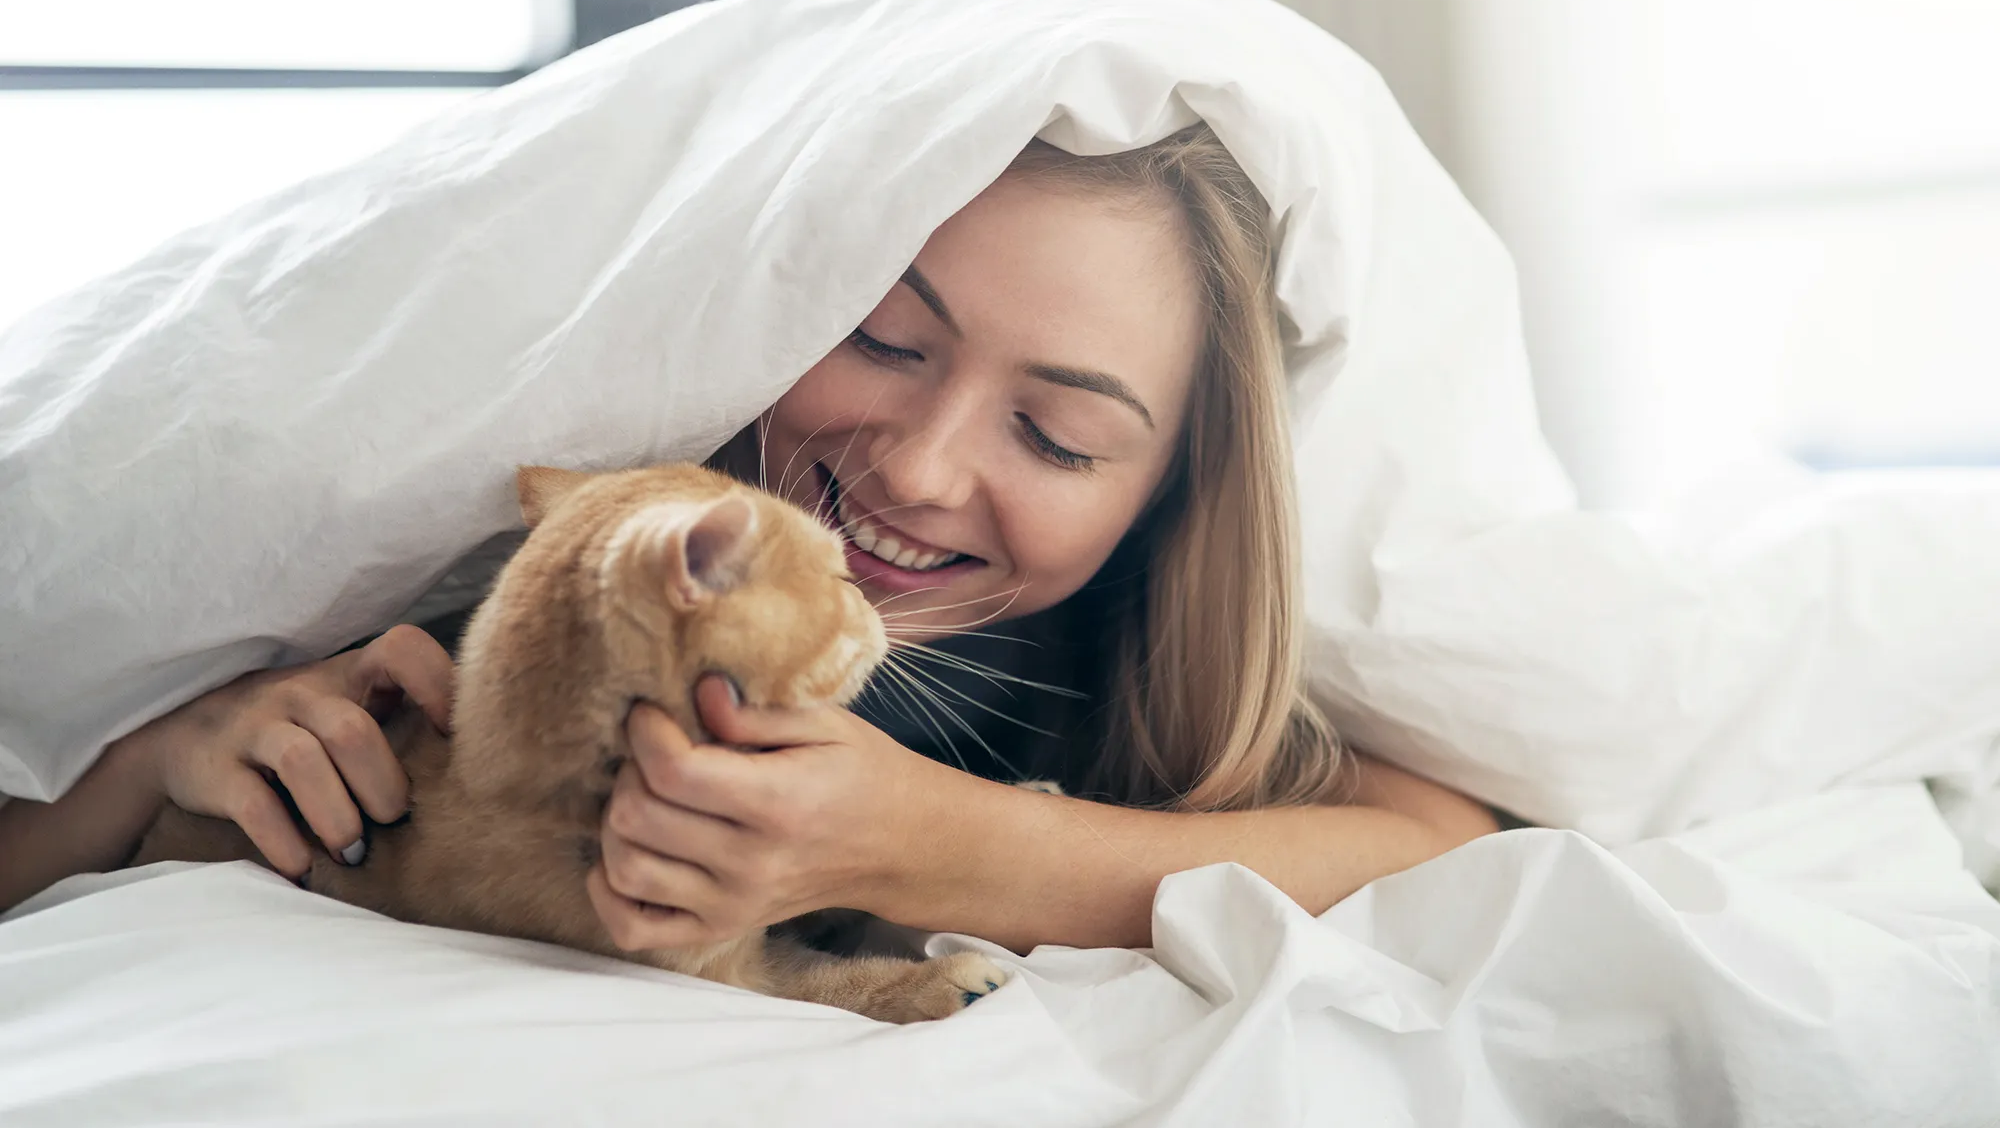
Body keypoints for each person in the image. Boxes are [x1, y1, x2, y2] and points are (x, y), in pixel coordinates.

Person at [0, 125, 1497, 946]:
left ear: (1171, 486)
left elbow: (1441, 839)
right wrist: (152, 758)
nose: (913, 467)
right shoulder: (598, 545)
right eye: (880, 340)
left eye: (1058, 436)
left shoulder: (1126, 650)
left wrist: (936, 843)